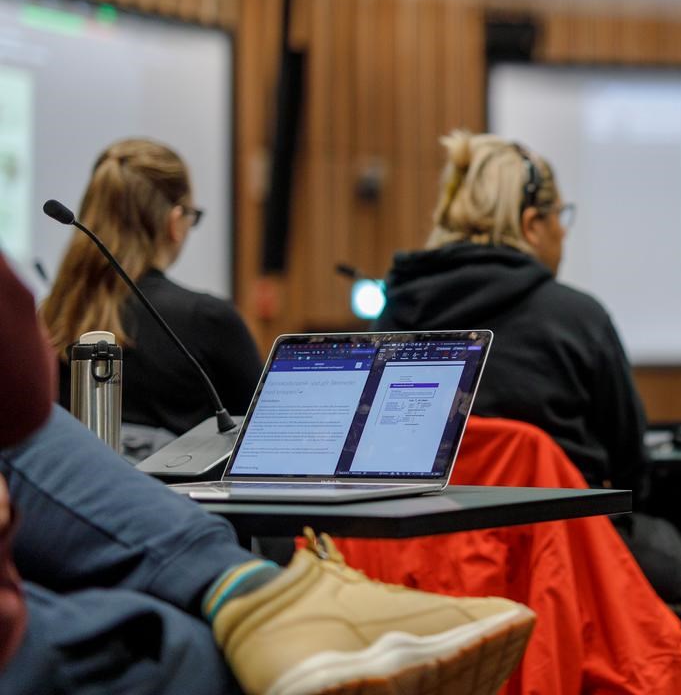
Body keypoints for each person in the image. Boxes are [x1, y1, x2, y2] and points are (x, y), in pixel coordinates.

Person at [0, 253, 535, 694]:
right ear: (175, 222)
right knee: (204, 648)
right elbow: (20, 373)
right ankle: (276, 598)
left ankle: (267, 599)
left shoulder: (65, 307)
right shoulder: (206, 317)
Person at [372, 131, 681, 644]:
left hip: (419, 564)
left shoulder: (391, 319)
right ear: (533, 225)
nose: (563, 232)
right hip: (563, 562)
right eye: (561, 216)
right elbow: (628, 465)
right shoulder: (576, 317)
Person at [40, 139, 263, 452]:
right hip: (184, 501)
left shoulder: (50, 318)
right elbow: (263, 439)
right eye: (192, 216)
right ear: (175, 222)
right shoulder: (208, 319)